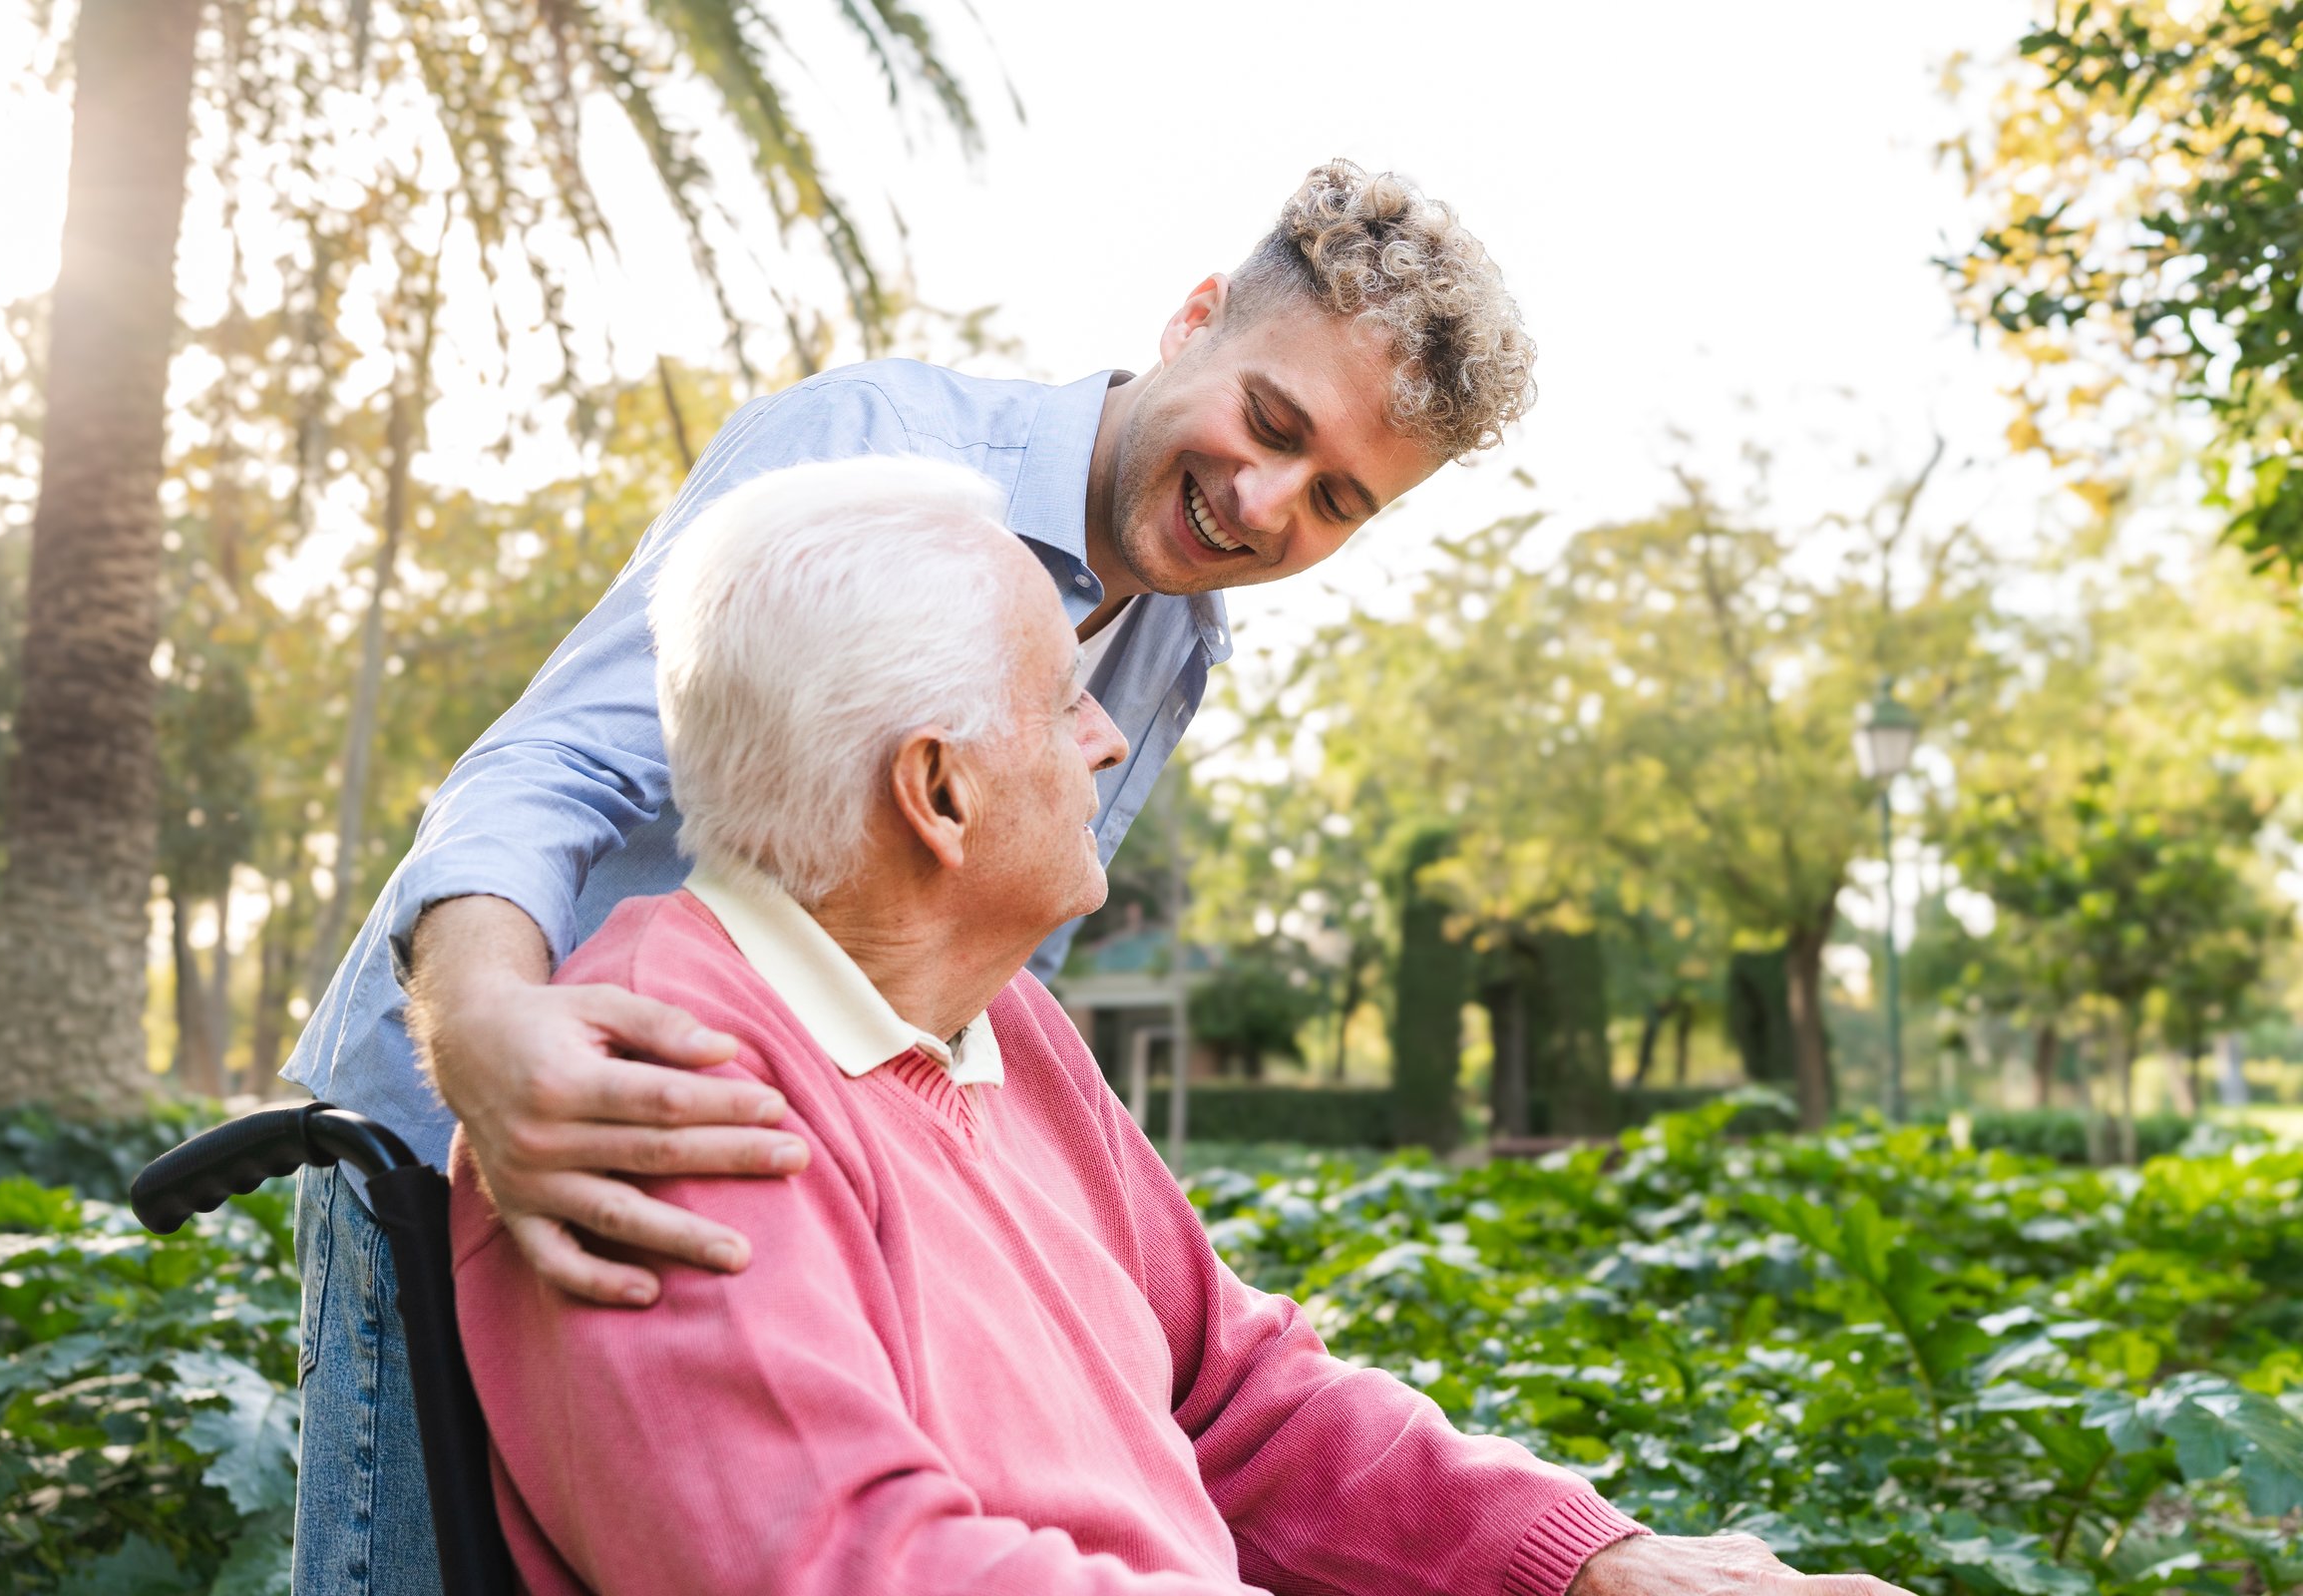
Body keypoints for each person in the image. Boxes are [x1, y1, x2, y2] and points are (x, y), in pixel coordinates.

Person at [283, 160, 1893, 1595]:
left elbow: (986, 998)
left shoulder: (1174, 631)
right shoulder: (876, 459)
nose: (1267, 506)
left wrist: (1593, 1563)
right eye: (1270, 425)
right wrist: (486, 1024)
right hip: (537, 1102)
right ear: (1195, 318)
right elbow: (547, 771)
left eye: (1338, 498)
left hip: (835, 1101)